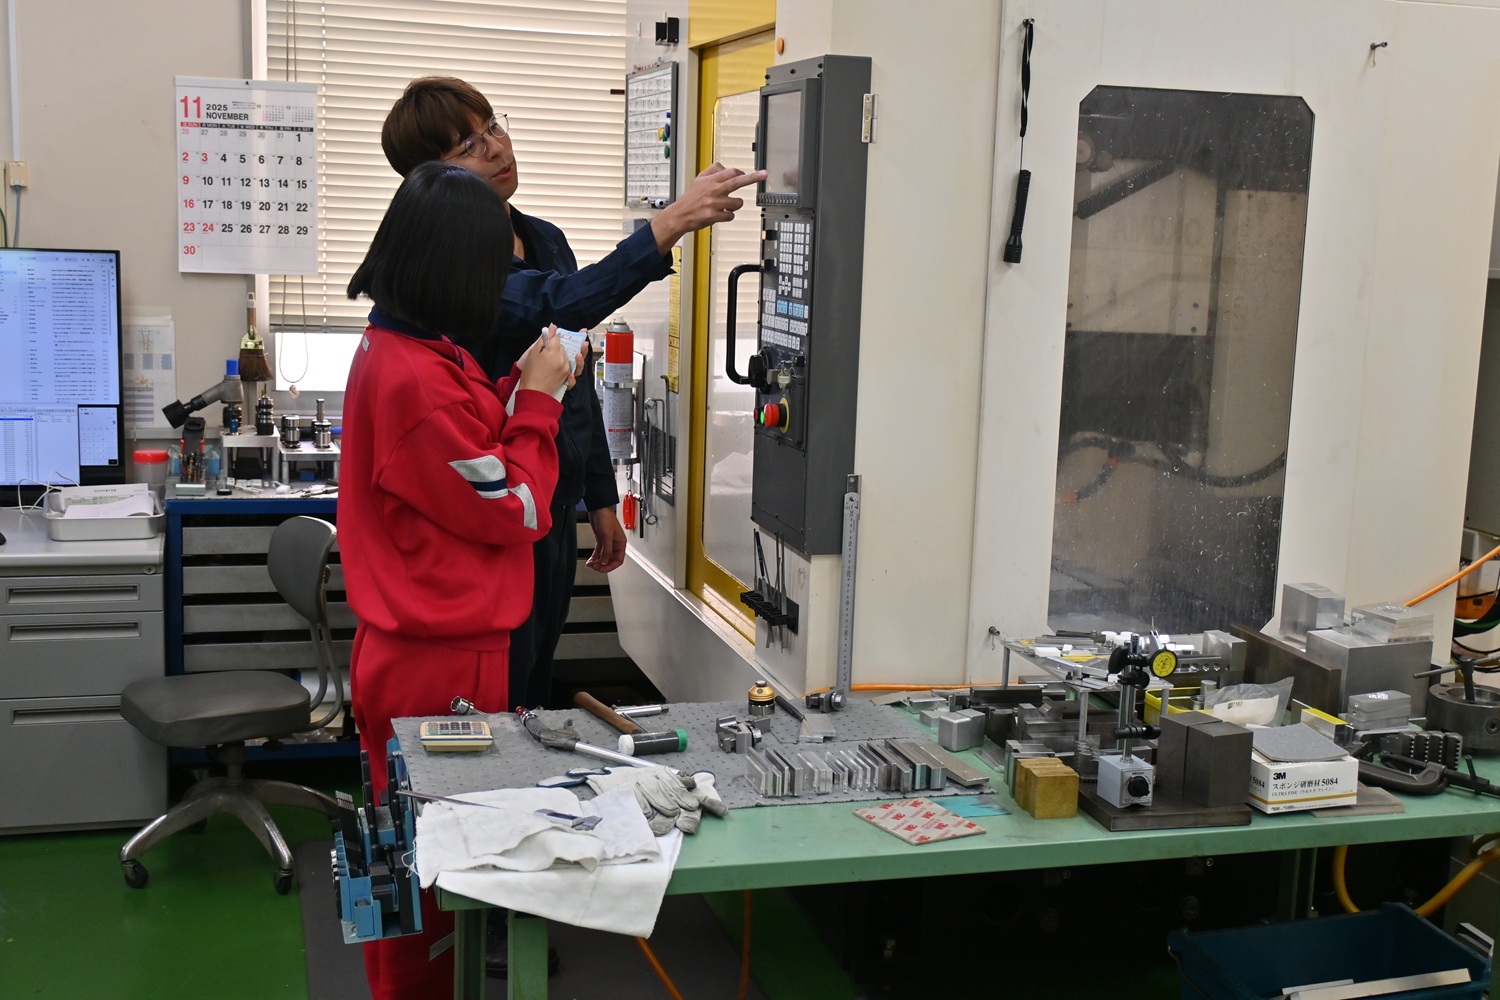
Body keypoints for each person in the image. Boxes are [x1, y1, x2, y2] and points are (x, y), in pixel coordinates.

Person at [379, 76, 765, 712]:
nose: (495, 148)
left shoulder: (545, 238)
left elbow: (571, 381)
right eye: (468, 147)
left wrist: (598, 498)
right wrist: (670, 222)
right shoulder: (455, 271)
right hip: (497, 510)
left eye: (492, 128)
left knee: (534, 675)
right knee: (497, 688)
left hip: (552, 501)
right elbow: (558, 304)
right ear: (430, 180)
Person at [339, 159, 576, 1000]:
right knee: (437, 878)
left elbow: (468, 450)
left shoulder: (407, 349)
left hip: (404, 652)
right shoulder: (418, 381)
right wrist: (541, 406)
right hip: (442, 666)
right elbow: (516, 506)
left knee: (389, 855)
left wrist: (520, 385)